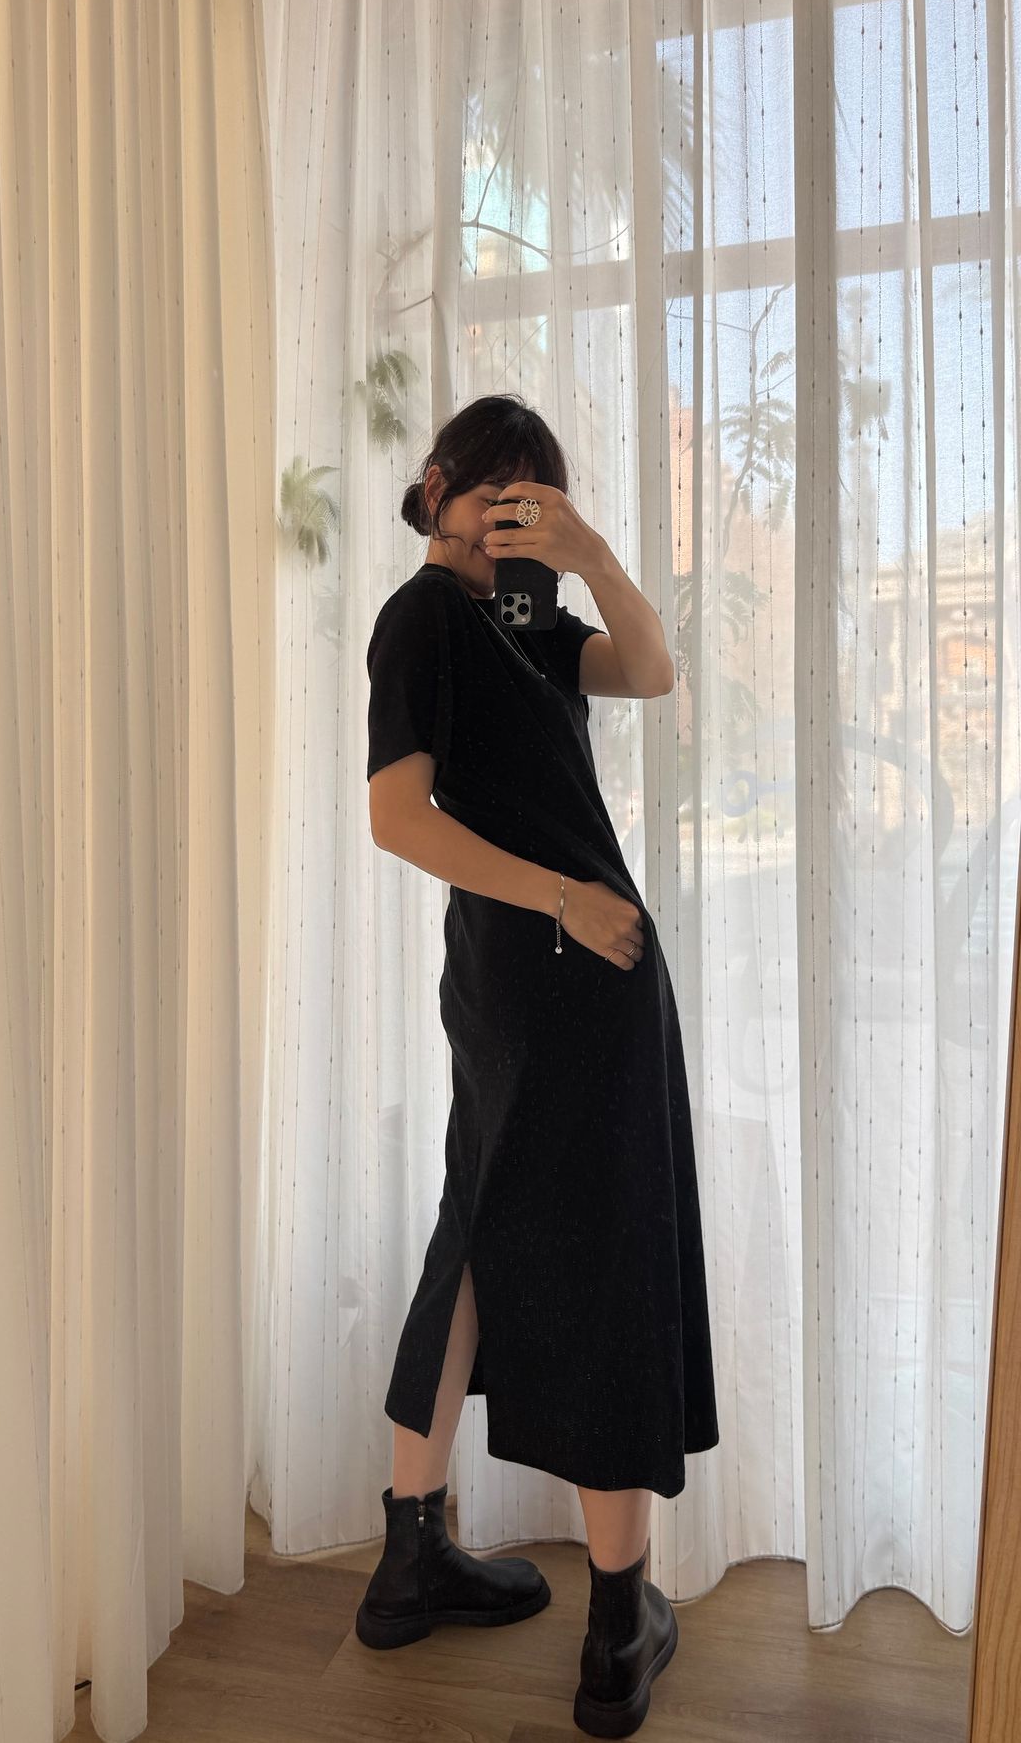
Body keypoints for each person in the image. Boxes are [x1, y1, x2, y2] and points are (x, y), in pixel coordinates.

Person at [355, 393, 719, 1737]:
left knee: (476, 1231)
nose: (507, 521)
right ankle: (619, 1624)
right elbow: (397, 818)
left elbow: (653, 671)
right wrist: (564, 898)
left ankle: (410, 1559)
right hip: (570, 957)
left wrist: (590, 557)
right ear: (438, 483)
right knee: (600, 1255)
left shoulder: (523, 615)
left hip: (517, 977)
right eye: (494, 493)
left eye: (532, 501)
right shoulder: (419, 618)